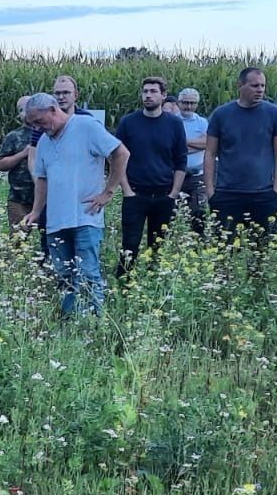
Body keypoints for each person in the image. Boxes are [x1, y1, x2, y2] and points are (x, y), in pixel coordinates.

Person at [22, 92, 128, 317]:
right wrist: (36, 211)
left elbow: (120, 153)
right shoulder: (43, 142)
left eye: (39, 121)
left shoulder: (86, 126)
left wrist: (108, 192)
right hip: (56, 221)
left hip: (85, 216)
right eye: (33, 124)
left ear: (52, 109)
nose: (39, 128)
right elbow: (42, 178)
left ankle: (93, 323)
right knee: (64, 275)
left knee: (88, 273)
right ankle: (71, 322)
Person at [203, 67, 277, 246]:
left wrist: (276, 191)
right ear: (240, 85)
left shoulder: (274, 114)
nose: (260, 90)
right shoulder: (221, 114)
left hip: (263, 194)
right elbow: (210, 153)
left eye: (263, 86)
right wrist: (210, 192)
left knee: (261, 252)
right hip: (227, 193)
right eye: (255, 85)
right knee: (223, 251)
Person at [114, 77, 187, 276]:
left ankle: (153, 284)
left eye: (153, 91)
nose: (148, 95)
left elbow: (181, 161)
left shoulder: (174, 124)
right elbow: (116, 158)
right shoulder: (128, 122)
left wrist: (173, 193)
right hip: (135, 195)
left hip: (164, 195)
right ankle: (124, 286)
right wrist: (127, 190)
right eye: (145, 91)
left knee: (158, 247)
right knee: (129, 245)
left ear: (163, 96)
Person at [0, 95, 36, 231]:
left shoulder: (48, 133)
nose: (25, 113)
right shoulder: (14, 137)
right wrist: (22, 154)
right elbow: (1, 164)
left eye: (28, 108)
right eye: (21, 110)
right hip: (18, 199)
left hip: (44, 199)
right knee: (18, 242)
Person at [175, 88, 209, 235]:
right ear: (178, 102)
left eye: (192, 103)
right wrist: (196, 143)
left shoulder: (202, 122)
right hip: (175, 174)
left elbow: (207, 143)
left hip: (197, 175)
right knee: (172, 212)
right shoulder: (172, 120)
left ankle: (198, 243)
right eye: (185, 103)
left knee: (198, 212)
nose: (188, 106)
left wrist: (182, 143)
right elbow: (169, 147)